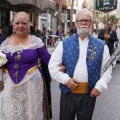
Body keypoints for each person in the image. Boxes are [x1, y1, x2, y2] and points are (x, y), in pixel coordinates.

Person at [48, 9, 112, 120]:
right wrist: (66, 79)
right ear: (76, 23)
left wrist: (99, 86)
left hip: (89, 94)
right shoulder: (65, 43)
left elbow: (107, 69)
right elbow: (52, 65)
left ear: (92, 23)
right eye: (80, 20)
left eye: (86, 20)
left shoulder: (101, 46)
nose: (83, 23)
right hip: (67, 93)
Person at [0, 11, 51, 120]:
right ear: (13, 25)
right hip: (8, 84)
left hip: (32, 84)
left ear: (29, 25)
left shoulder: (36, 41)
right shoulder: (4, 42)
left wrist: (61, 67)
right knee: (10, 113)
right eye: (17, 23)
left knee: (31, 113)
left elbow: (48, 60)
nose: (20, 26)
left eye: (24, 23)